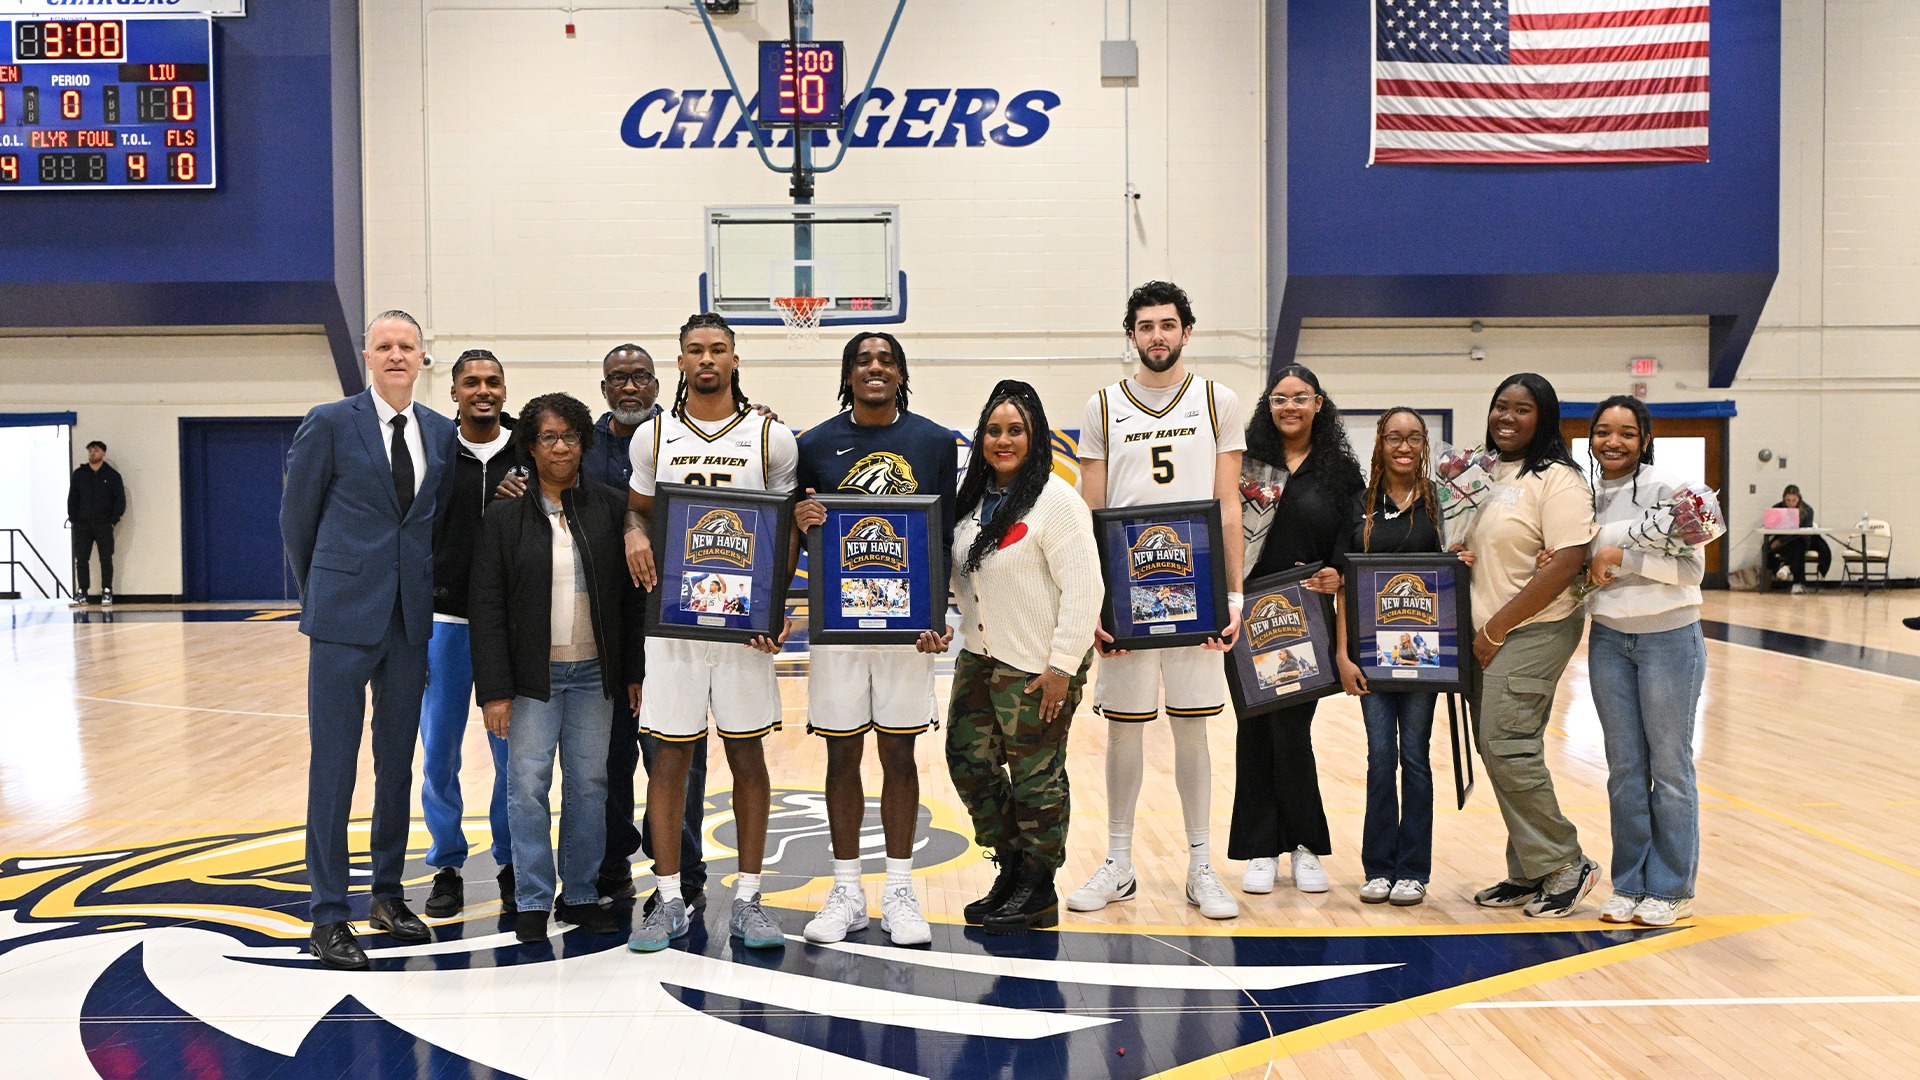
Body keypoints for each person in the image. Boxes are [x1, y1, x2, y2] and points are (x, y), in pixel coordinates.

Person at [281, 310, 455, 970]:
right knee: (333, 767)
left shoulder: (438, 432)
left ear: (421, 357)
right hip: (342, 620)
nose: (395, 355)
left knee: (396, 764)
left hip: (409, 622)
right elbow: (297, 520)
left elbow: (432, 526)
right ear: (366, 355)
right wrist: (324, 593)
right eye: (384, 345)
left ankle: (386, 894)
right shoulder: (330, 421)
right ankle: (328, 915)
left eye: (406, 346)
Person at [1067, 281, 1246, 923]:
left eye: (1168, 325)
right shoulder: (1104, 407)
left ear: (1187, 332)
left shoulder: (1217, 400)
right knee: (1124, 730)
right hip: (1126, 592)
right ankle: (1118, 863)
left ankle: (1201, 865)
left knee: (1194, 728)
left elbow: (1229, 505)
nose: (1157, 336)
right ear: (1132, 335)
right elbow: (1090, 511)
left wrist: (1232, 593)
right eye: (1145, 326)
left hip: (1195, 588)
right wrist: (1092, 600)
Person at [622, 313, 799, 953]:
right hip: (674, 623)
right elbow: (636, 513)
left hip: (742, 629)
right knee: (669, 760)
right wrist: (633, 533)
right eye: (695, 350)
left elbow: (784, 533)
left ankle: (749, 899)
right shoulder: (654, 435)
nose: (706, 359)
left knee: (747, 757)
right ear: (679, 361)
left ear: (734, 357)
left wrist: (776, 606)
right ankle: (670, 900)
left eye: (717, 349)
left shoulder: (770, 438)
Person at [792, 331, 958, 946]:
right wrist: (801, 518)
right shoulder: (812, 445)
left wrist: (940, 614)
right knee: (840, 756)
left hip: (907, 630)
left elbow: (942, 537)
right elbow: (793, 521)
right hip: (837, 626)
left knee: (899, 756)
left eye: (886, 359)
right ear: (848, 373)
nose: (875, 368)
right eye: (863, 360)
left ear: (901, 372)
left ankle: (899, 891)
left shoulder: (935, 442)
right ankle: (845, 891)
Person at [469, 392, 643, 942]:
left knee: (591, 785)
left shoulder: (612, 508)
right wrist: (494, 690)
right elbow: (487, 607)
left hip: (596, 675)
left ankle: (583, 892)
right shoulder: (501, 517)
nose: (561, 446)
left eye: (570, 436)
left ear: (584, 442)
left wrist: (633, 671)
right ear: (530, 445)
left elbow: (631, 601)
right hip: (529, 681)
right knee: (526, 786)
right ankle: (531, 898)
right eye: (548, 437)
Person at [928, 379, 1100, 935]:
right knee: (968, 762)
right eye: (994, 431)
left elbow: (1085, 590)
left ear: (1035, 436)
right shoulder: (971, 502)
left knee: (1035, 778)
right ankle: (1010, 865)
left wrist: (1061, 667)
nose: (1003, 441)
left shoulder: (1058, 501)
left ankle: (1039, 883)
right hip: (979, 658)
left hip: (1039, 664)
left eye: (1015, 431)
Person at [1460, 373, 1600, 919]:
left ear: (1543, 419)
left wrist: (1496, 629)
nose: (1507, 418)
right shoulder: (1482, 471)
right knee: (1500, 745)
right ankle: (1530, 869)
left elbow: (1566, 562)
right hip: (1484, 633)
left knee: (1505, 742)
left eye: (1522, 410)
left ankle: (1567, 862)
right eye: (1501, 407)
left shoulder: (1559, 479)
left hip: (1532, 629)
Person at [1231, 365, 1363, 898]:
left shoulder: (1340, 475)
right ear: (1269, 406)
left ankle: (1305, 845)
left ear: (1319, 405)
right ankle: (1261, 849)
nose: (1290, 407)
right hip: (1249, 617)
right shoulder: (1244, 466)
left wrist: (1337, 573)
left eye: (1300, 398)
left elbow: (1352, 543)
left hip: (1305, 619)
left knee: (1290, 731)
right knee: (1254, 729)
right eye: (1280, 398)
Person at [1582, 396, 1706, 928]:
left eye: (1627, 433)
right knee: (1625, 771)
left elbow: (1693, 569)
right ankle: (1629, 882)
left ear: (1645, 439)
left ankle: (1671, 887)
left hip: (1669, 641)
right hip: (1609, 640)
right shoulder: (1580, 497)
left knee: (1669, 769)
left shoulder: (1672, 492)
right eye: (1604, 432)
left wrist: (1621, 557)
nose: (1614, 442)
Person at [1340, 407, 1471, 908]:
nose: (1404, 446)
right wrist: (1343, 653)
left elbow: (1459, 570)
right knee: (1379, 758)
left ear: (1425, 446)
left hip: (1425, 658)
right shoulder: (1358, 504)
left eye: (1414, 437)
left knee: (1415, 757)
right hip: (1372, 659)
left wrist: (1467, 558)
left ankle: (1413, 870)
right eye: (1394, 437)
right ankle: (1378, 867)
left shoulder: (1443, 504)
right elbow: (1345, 585)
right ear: (1379, 443)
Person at [418, 349, 521, 919]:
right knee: (439, 752)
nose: (483, 390)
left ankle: (509, 862)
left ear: (505, 391)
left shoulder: (527, 451)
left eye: (492, 382)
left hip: (509, 624)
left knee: (513, 755)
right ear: (454, 391)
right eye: (471, 382)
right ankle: (448, 866)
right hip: (444, 621)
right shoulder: (433, 451)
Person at [67, 440, 126, 606]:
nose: (92, 453)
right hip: (82, 525)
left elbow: (120, 501)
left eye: (96, 450)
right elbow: (73, 497)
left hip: (104, 524)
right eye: (90, 450)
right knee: (81, 559)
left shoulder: (112, 476)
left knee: (106, 559)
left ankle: (107, 591)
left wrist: (113, 521)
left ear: (103, 453)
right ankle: (82, 592)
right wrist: (73, 518)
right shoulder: (79, 474)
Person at [1763, 484, 1830, 594]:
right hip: (1783, 540)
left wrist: (1781, 541)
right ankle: (1788, 575)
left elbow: (1803, 532)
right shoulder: (1777, 509)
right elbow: (1770, 526)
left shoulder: (1807, 510)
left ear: (1799, 499)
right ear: (1784, 499)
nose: (1791, 503)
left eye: (1794, 500)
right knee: (1766, 547)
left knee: (1797, 546)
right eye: (1788, 500)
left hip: (1801, 540)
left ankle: (1788, 568)